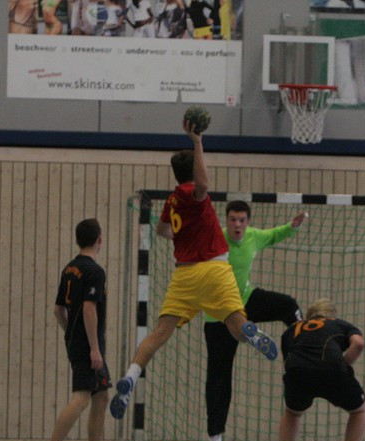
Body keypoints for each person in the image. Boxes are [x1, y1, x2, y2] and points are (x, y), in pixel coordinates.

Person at [109, 116, 278, 421]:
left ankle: (132, 376)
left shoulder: (172, 201)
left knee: (160, 332)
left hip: (184, 274)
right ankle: (254, 336)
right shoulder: (191, 194)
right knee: (235, 322)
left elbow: (162, 231)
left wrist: (183, 233)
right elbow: (202, 184)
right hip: (213, 269)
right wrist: (198, 141)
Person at [204, 201, 305, 441]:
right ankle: (216, 438)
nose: (237, 225)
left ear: (247, 221)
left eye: (241, 220)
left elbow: (273, 234)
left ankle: (303, 343)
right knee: (219, 375)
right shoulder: (214, 239)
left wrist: (291, 227)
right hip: (218, 314)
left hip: (246, 300)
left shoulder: (252, 236)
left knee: (288, 305)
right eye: (233, 220)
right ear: (226, 221)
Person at [38, 219, 123, 441]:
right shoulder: (94, 271)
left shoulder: (70, 268)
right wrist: (93, 348)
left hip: (78, 340)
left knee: (101, 395)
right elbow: (89, 308)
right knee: (82, 397)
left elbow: (58, 310)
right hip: (89, 344)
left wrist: (70, 334)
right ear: (100, 239)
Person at [269, 299, 365, 441]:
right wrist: (344, 364)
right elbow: (359, 344)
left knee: (292, 412)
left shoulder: (292, 328)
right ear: (331, 314)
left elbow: (288, 357)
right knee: (358, 410)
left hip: (297, 371)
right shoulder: (339, 324)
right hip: (332, 370)